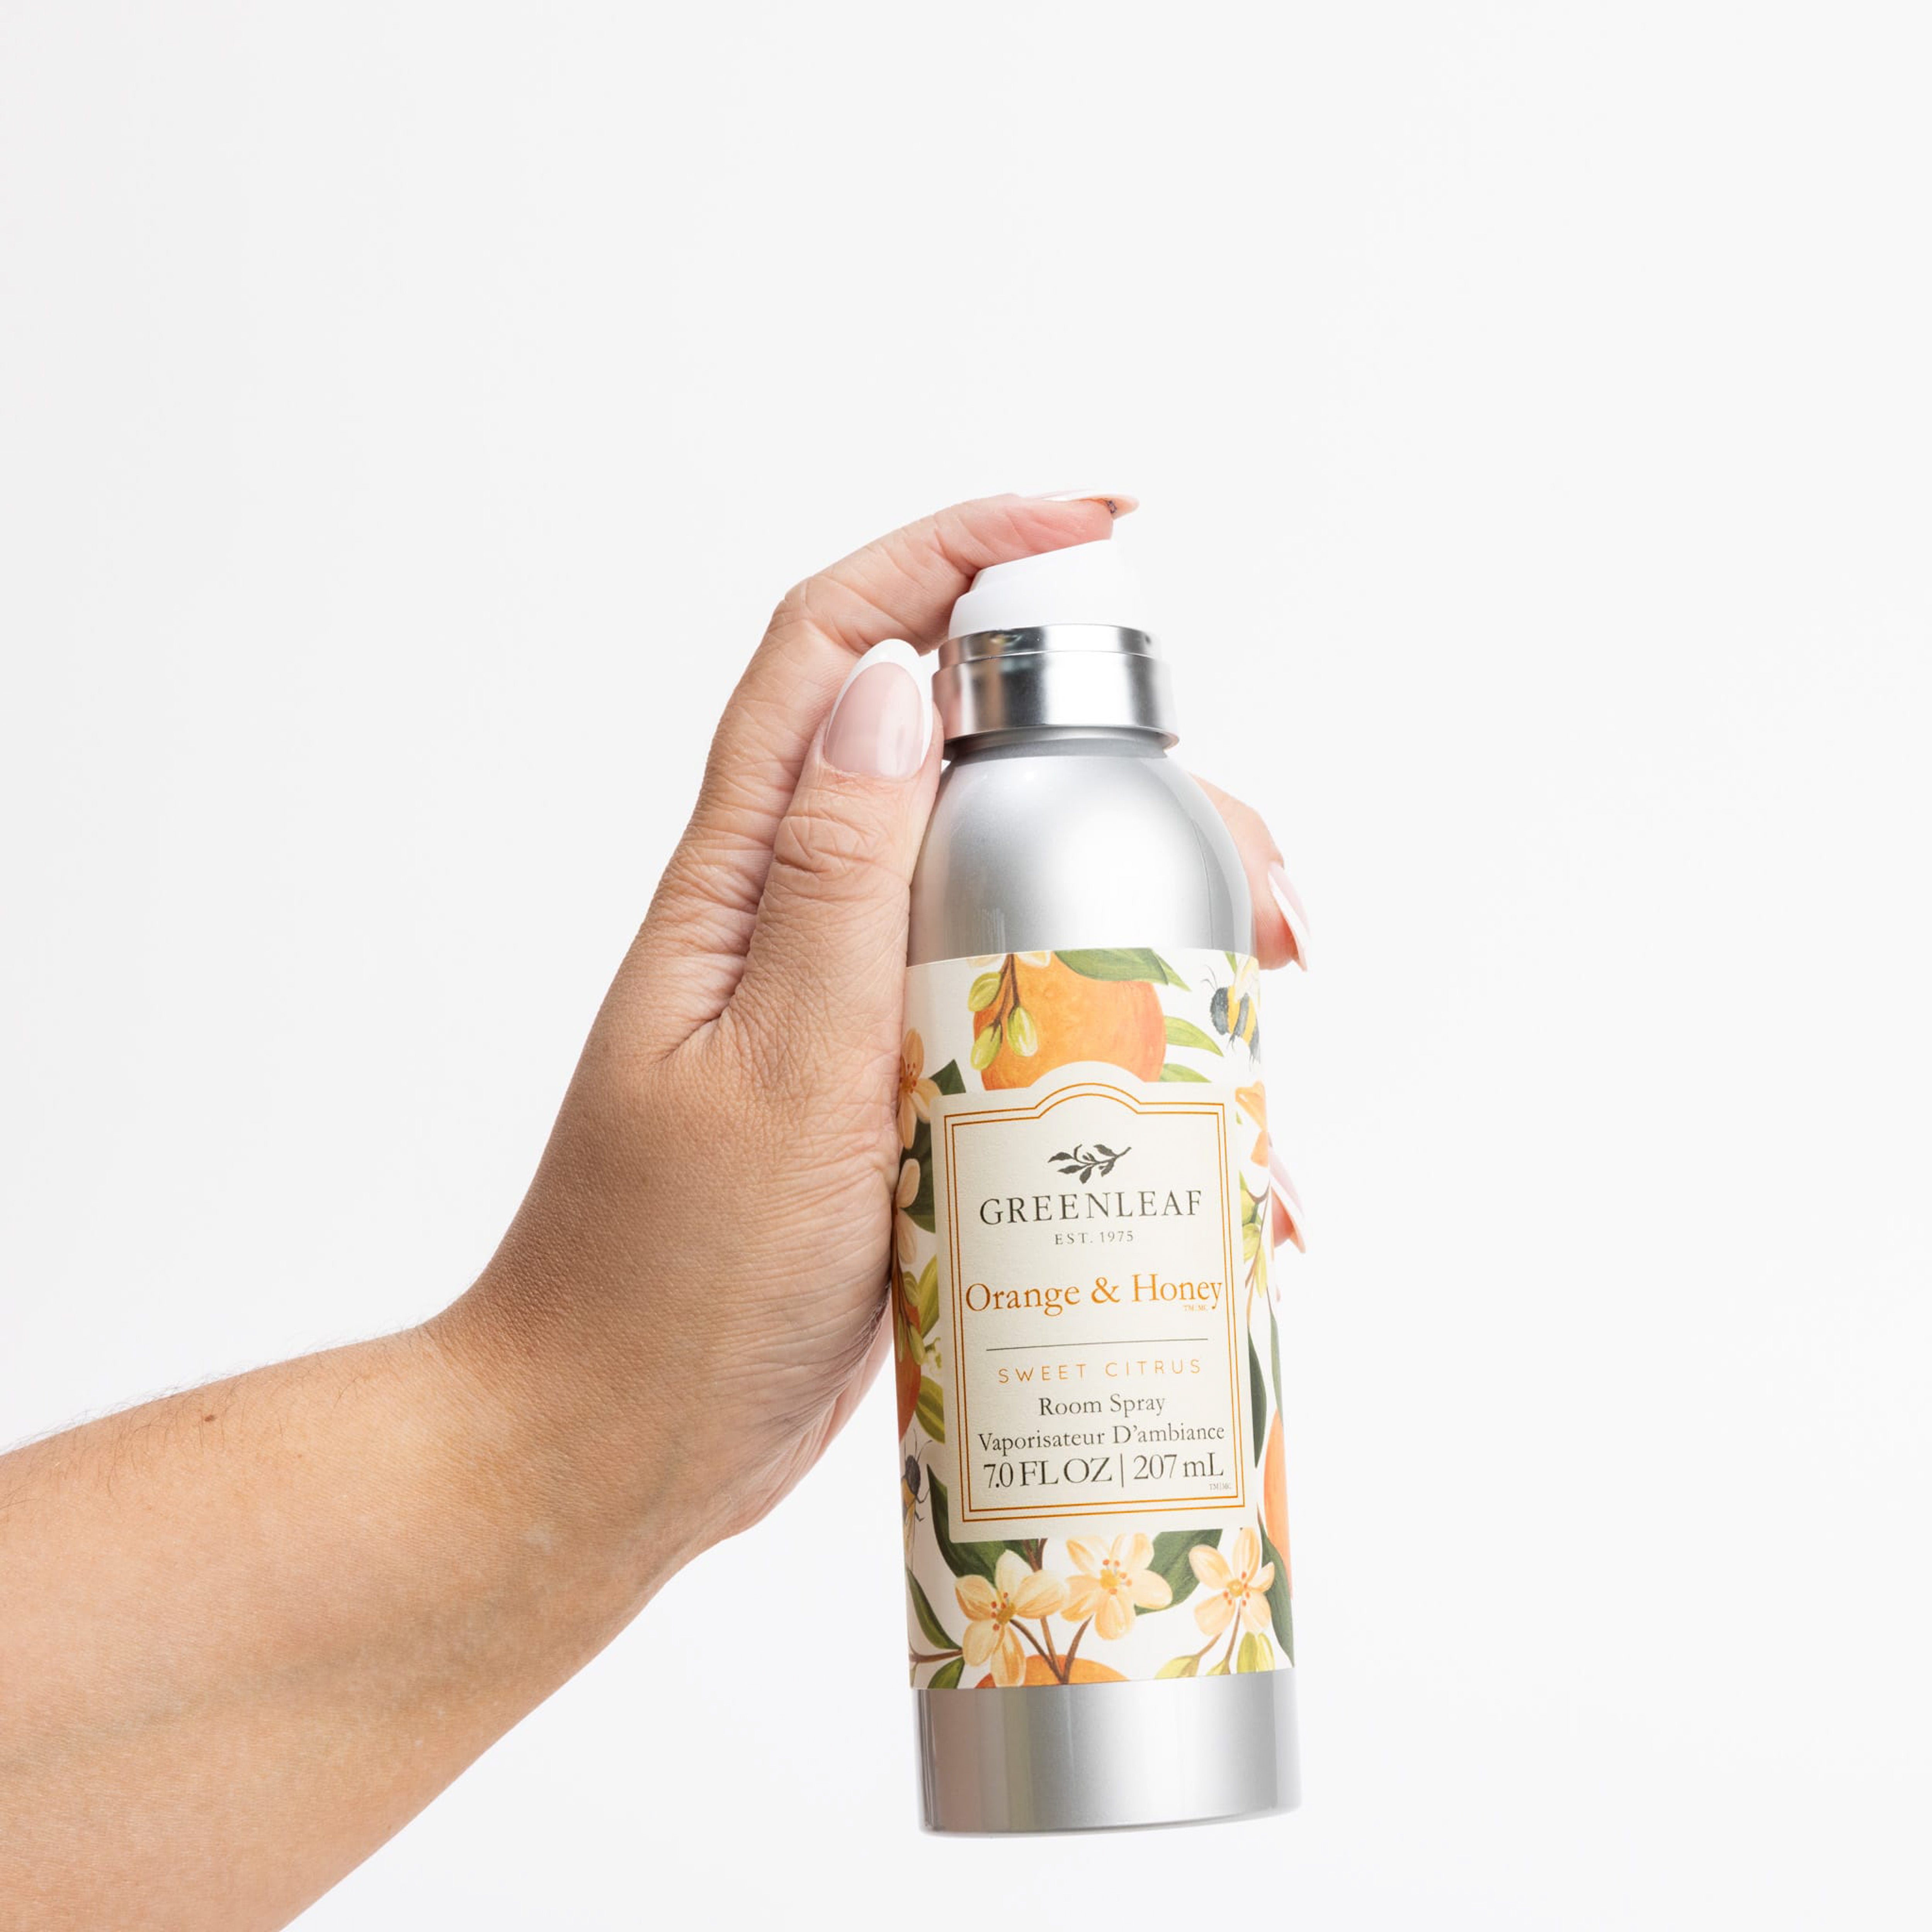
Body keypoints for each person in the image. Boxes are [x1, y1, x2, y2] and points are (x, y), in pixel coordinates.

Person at [0, 494, 1307, 1926]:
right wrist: (575, 1404)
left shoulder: (1148, 823)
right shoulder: (980, 834)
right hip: (1017, 1608)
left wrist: (576, 1434)